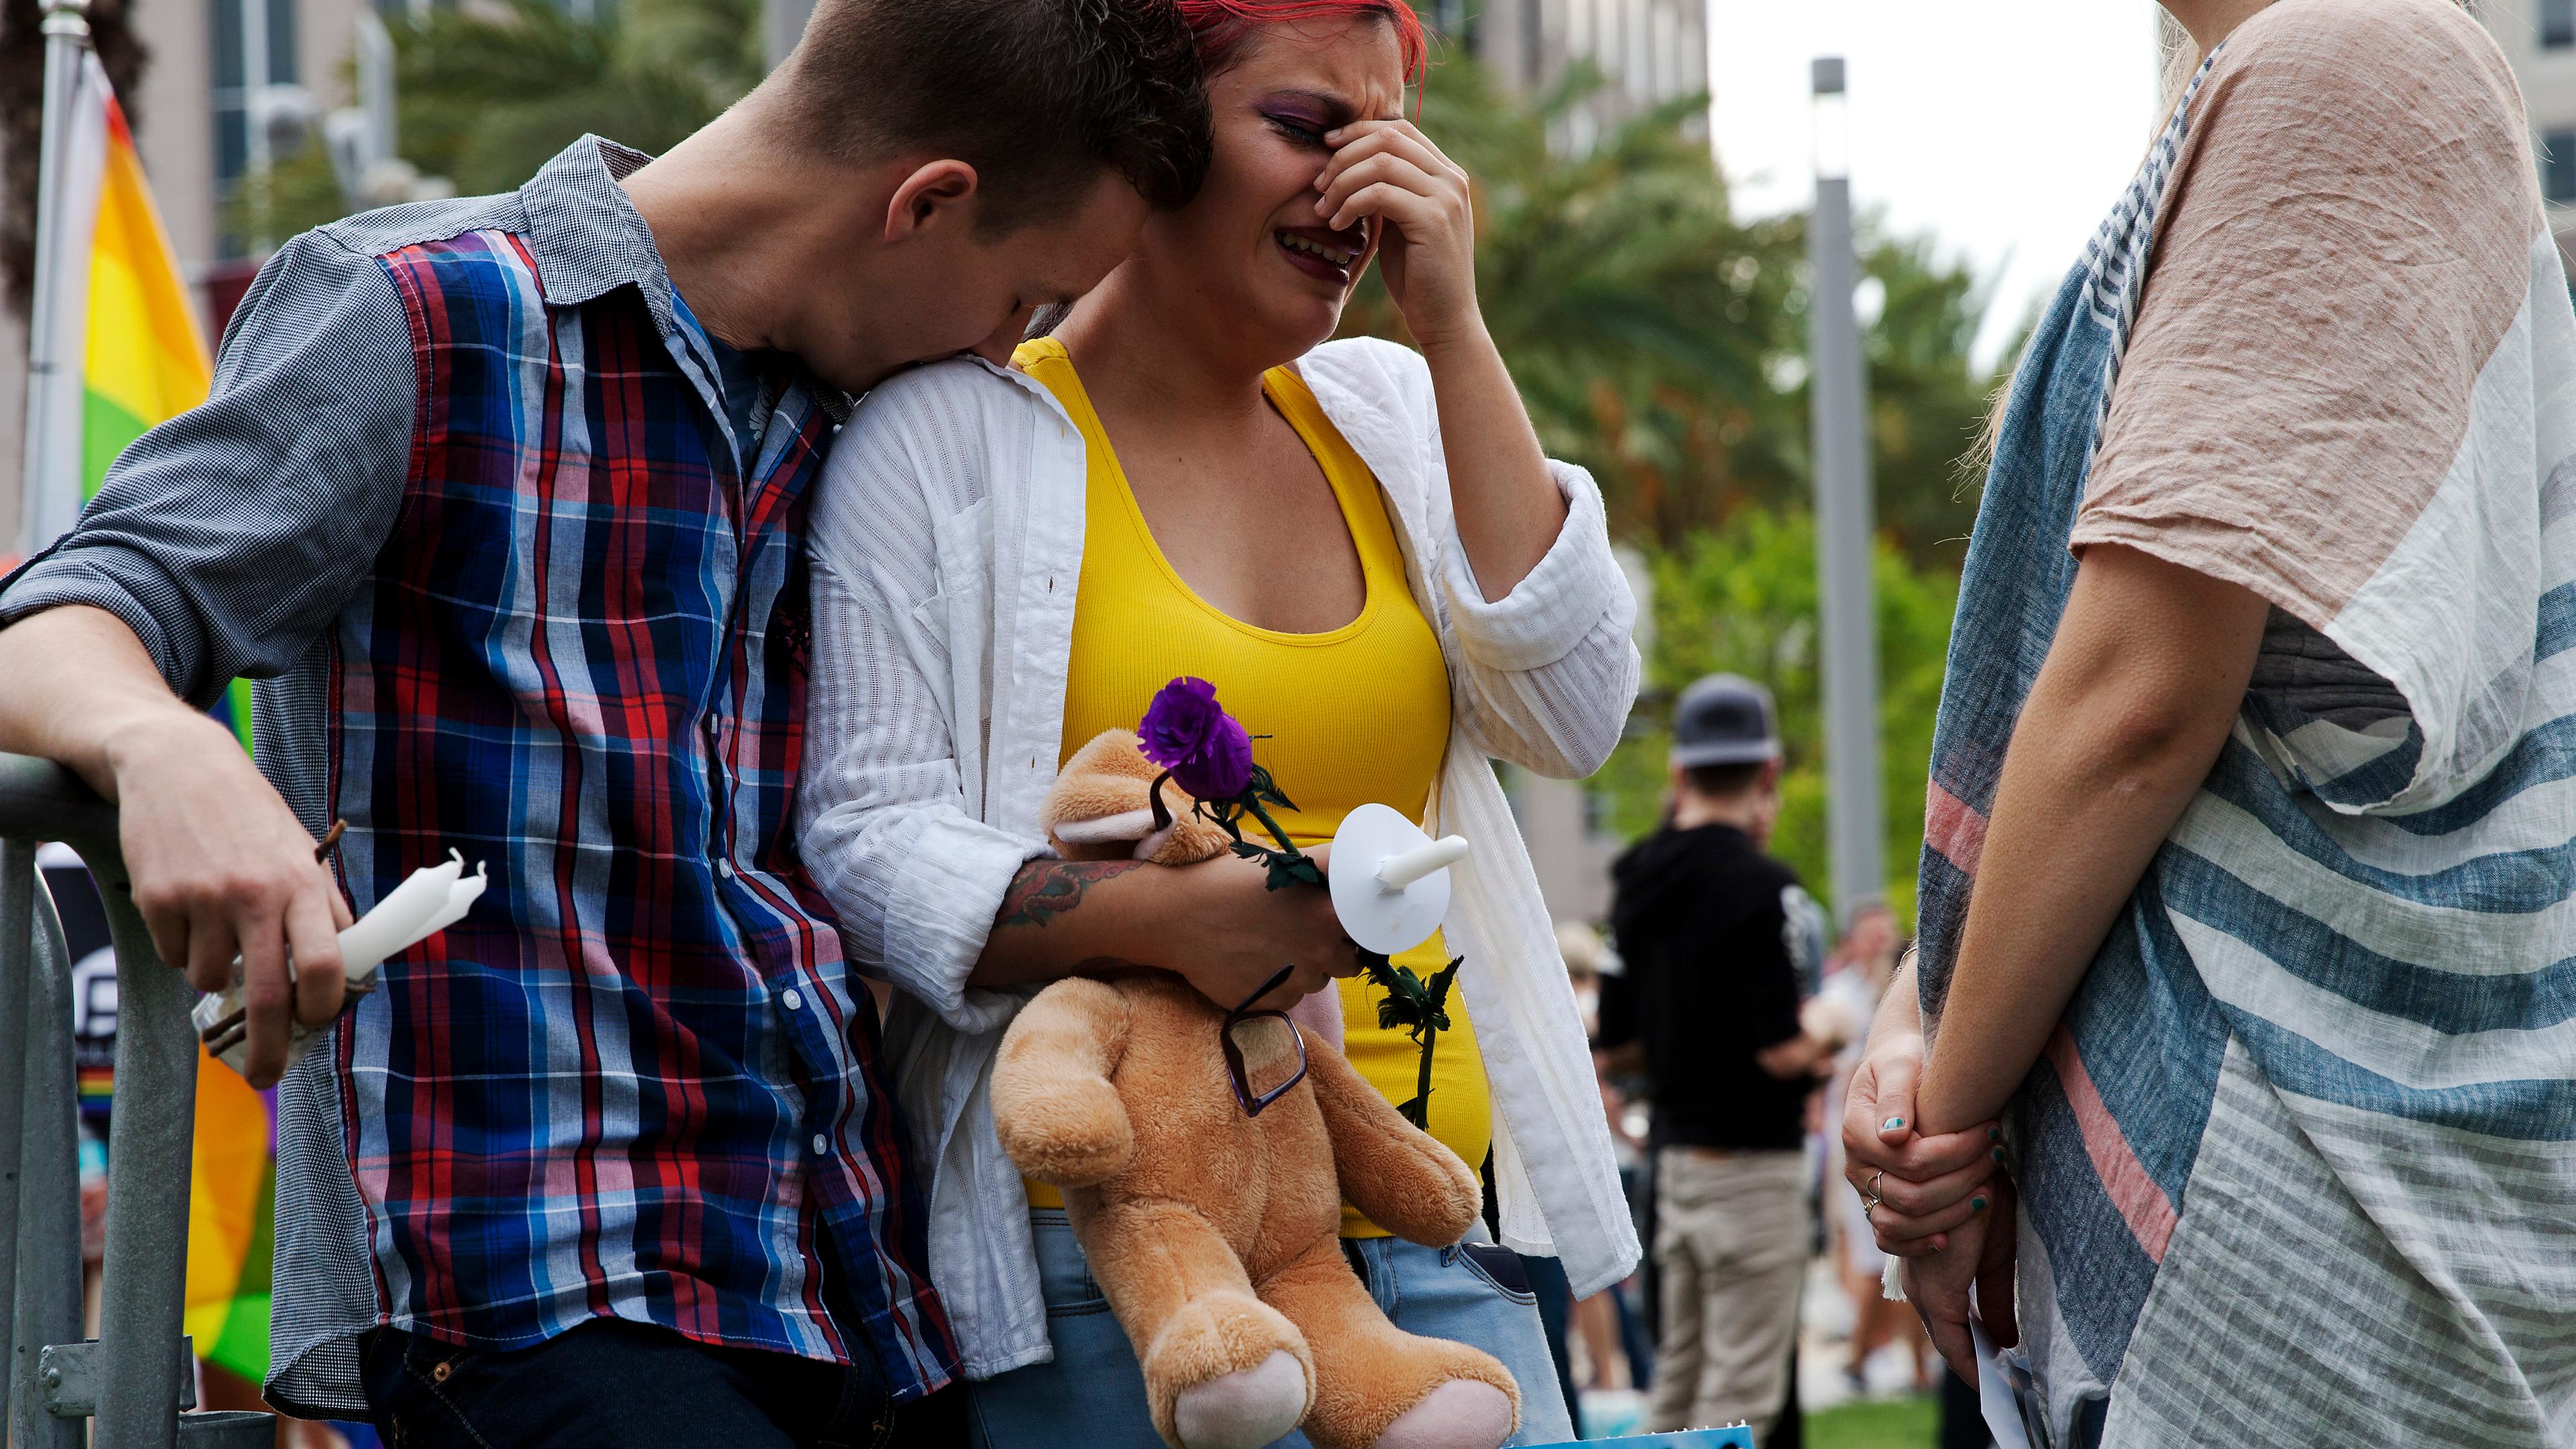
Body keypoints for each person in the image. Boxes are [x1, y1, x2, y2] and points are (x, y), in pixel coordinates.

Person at [0, 1, 1213, 1442]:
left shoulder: (866, 418)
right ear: (927, 203)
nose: (1016, 349)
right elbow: (60, 616)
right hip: (534, 1285)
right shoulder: (416, 311)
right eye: (1027, 294)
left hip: (849, 1296)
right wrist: (168, 749)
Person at [791, 2, 1642, 1442]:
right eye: (1310, 128)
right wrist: (1162, 919)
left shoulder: (1386, 410)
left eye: (1393, 140)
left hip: (1433, 1230)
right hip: (1114, 1256)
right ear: (1153, 133)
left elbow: (1573, 713)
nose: (1365, 190)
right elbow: (863, 843)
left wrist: (1454, 329)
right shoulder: (943, 442)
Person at [1840, 0, 2576, 1443]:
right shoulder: (2294, 85)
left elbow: (2138, 703)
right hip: (2324, 1191)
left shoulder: (2343, 62)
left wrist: (1947, 1131)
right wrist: (1912, 1018)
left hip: (2299, 1209)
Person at [1595, 674, 1842, 1440]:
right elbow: (1779, 1052)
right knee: (1741, 1401)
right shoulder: (1760, 886)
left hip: (1677, 1169)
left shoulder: (1635, 880)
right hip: (1751, 1169)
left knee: (1676, 1389)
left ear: (1680, 773)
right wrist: (1831, 1027)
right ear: (1768, 771)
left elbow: (1619, 1042)